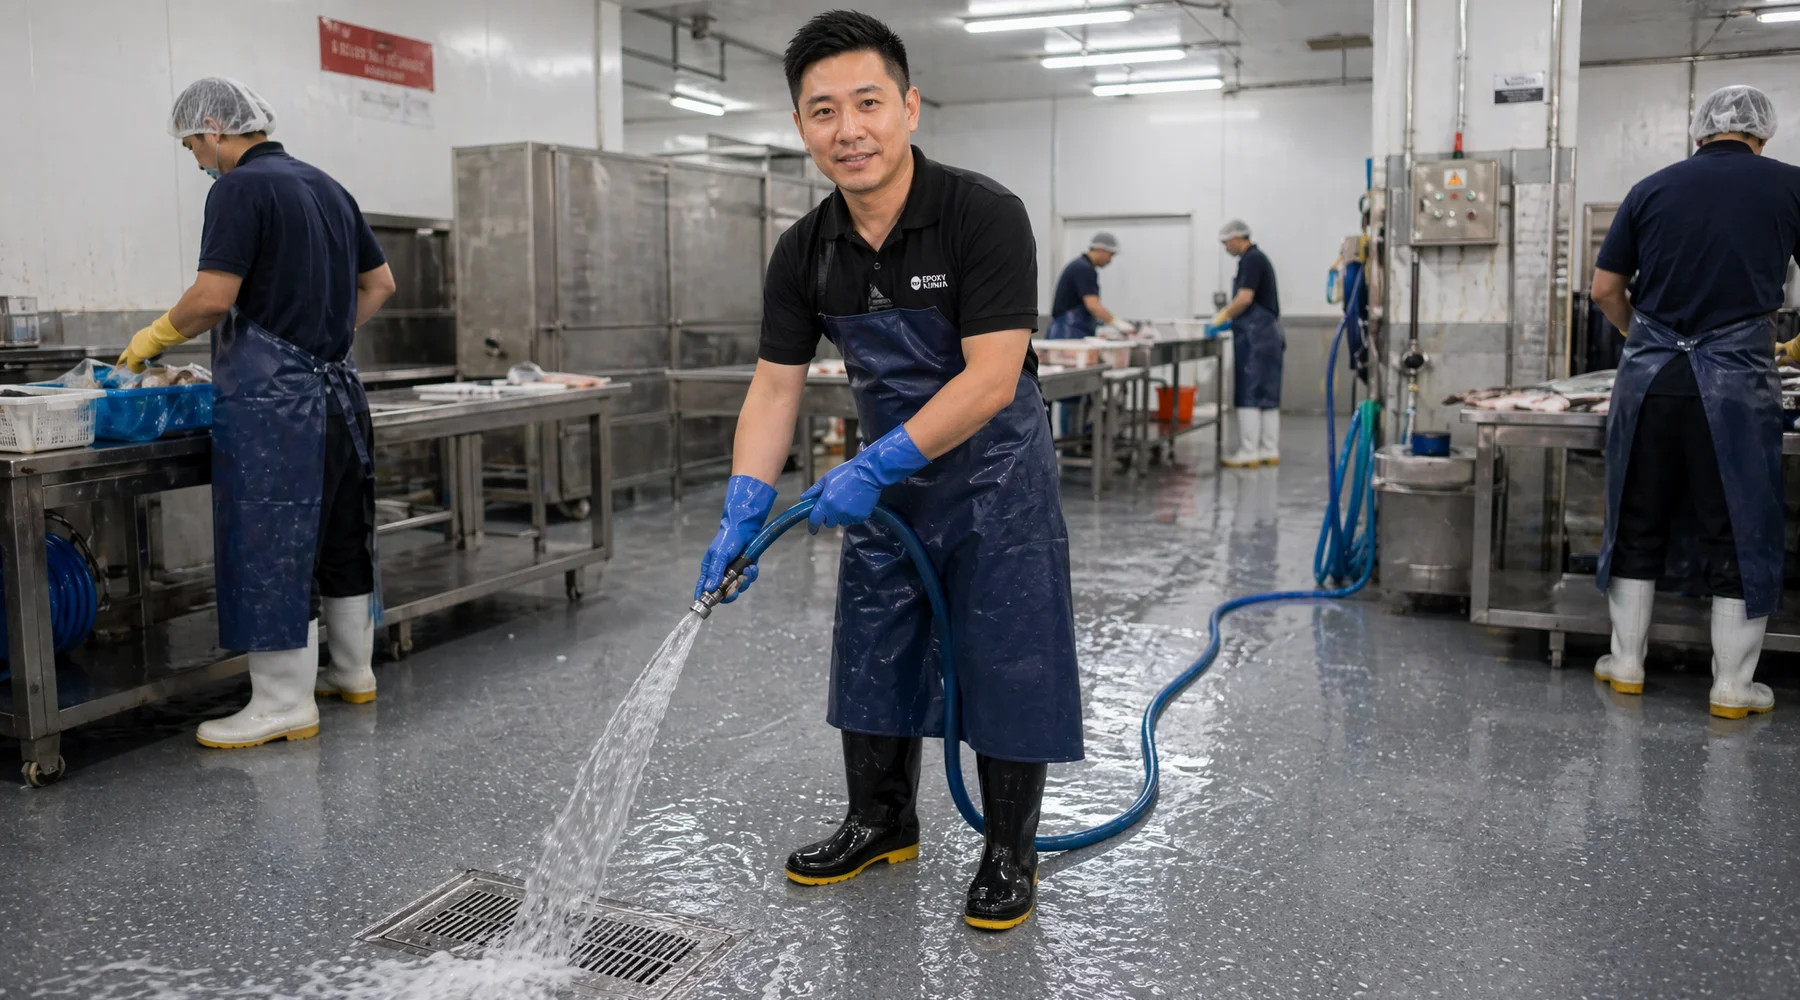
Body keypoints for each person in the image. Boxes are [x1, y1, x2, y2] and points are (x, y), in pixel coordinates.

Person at [691, 11, 1080, 931]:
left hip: (994, 480)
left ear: (908, 107)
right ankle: (880, 822)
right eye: (823, 111)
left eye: (867, 103)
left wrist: (876, 463)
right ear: (801, 125)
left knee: (1006, 651)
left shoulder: (981, 214)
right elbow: (775, 387)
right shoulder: (806, 249)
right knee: (875, 642)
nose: (848, 129)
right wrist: (744, 504)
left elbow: (991, 379)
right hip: (885, 487)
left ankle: (1009, 852)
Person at [120, 78, 397, 748]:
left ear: (214, 128)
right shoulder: (328, 186)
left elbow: (213, 298)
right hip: (338, 397)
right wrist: (321, 341)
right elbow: (380, 284)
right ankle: (353, 672)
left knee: (272, 542)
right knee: (340, 537)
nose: (194, 159)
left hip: (278, 412)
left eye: (191, 144)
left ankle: (281, 704)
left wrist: (152, 337)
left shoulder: (238, 189)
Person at [1590, 84, 1800, 718]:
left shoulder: (1650, 189)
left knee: (1637, 518)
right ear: (1761, 133)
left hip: (1650, 384)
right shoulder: (1790, 185)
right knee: (1739, 525)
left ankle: (1626, 665)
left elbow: (1604, 290)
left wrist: (1645, 339)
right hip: (1737, 386)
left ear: (1700, 131)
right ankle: (1732, 687)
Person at [1213, 220, 1284, 467]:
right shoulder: (1260, 258)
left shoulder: (1250, 260)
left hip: (1255, 336)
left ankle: (1248, 451)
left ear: (1236, 238)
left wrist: (1222, 317)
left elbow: (1244, 298)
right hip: (1270, 335)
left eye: (1226, 243)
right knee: (1268, 393)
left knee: (1249, 391)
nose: (1226, 248)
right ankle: (1269, 449)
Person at [1048, 232, 1134, 339]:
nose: (1110, 260)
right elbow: (1093, 305)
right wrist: (1116, 322)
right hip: (1068, 332)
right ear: (1100, 249)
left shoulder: (1081, 266)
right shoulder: (1083, 269)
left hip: (1072, 331)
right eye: (1110, 255)